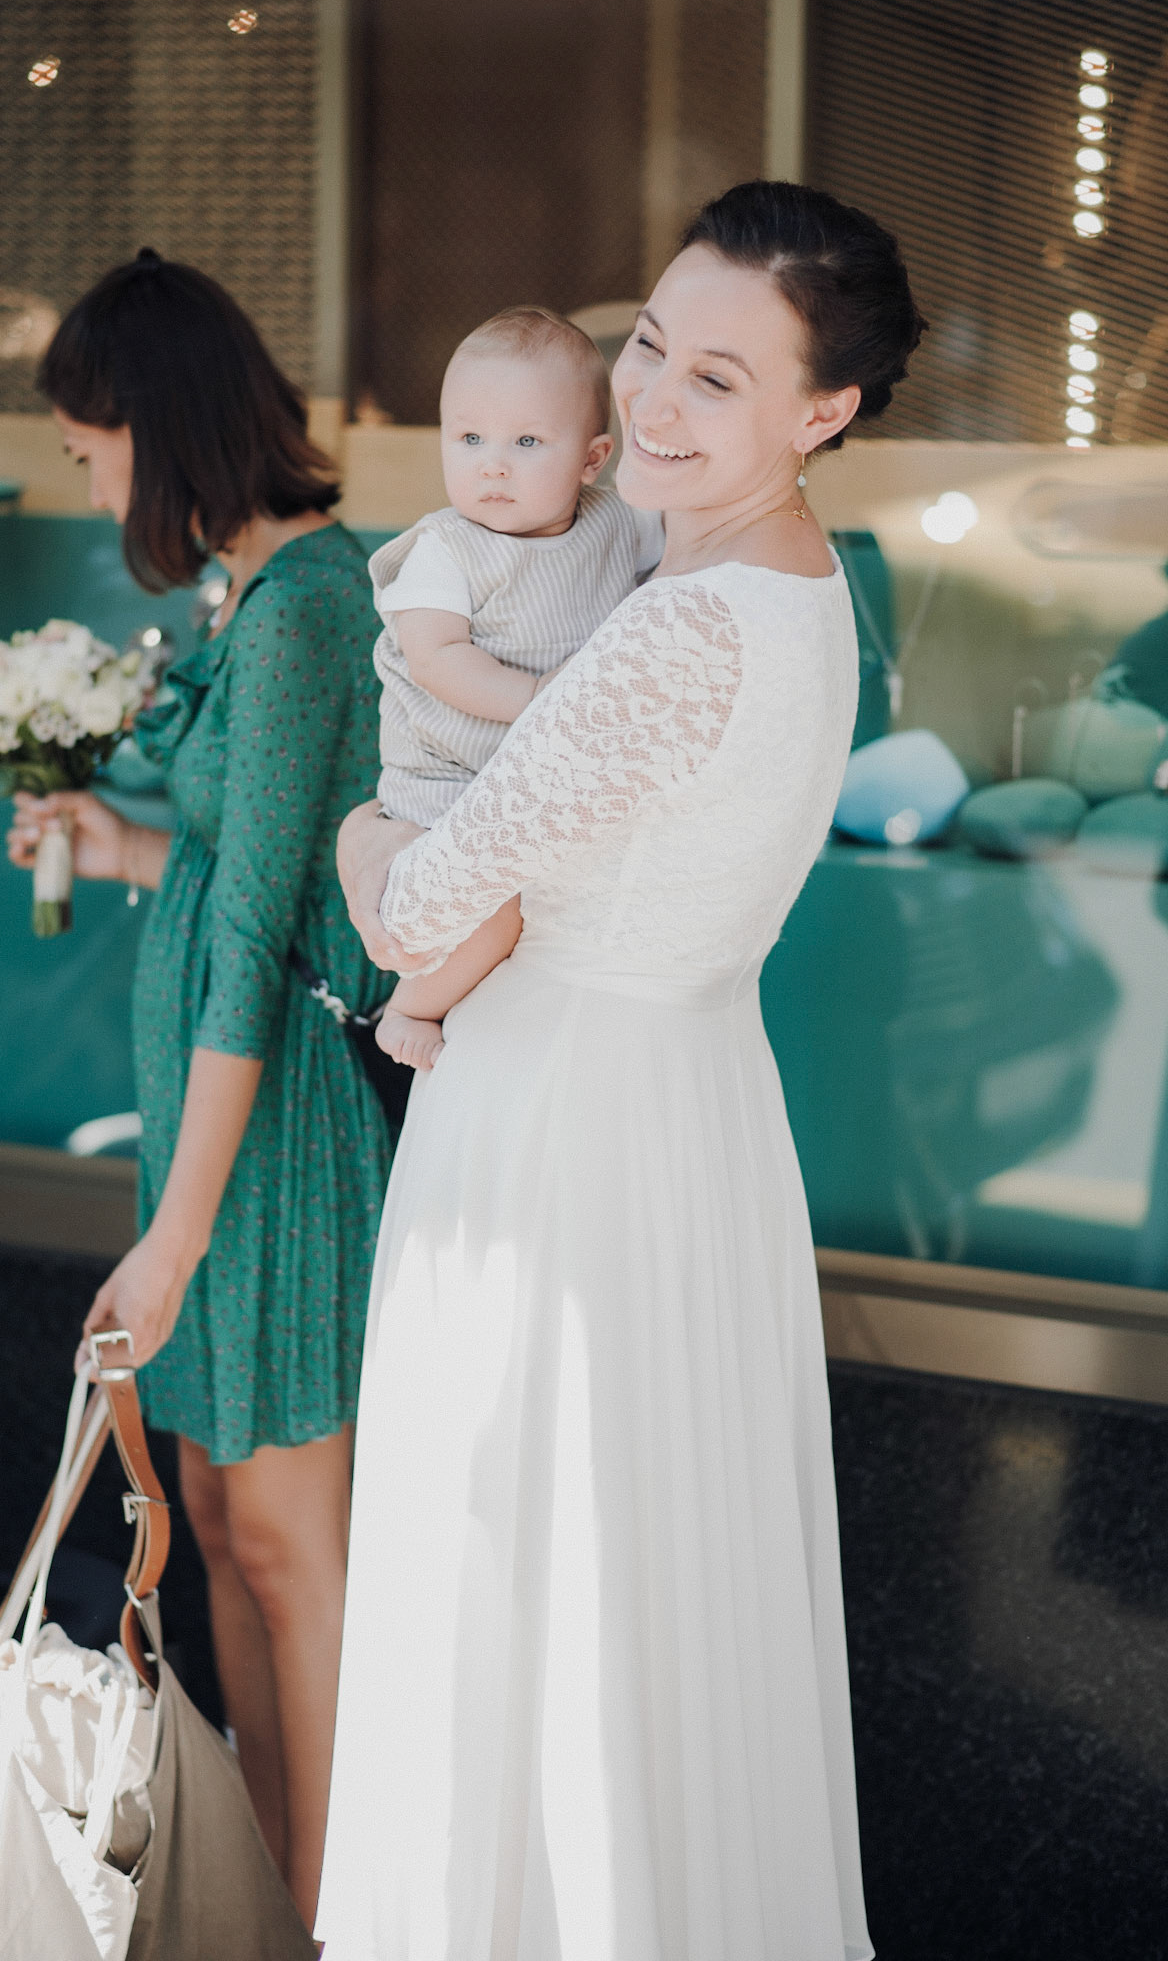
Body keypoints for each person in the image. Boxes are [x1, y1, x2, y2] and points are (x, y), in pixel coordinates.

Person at [319, 181, 925, 1959]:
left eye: (718, 378)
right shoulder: (787, 589)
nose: (652, 399)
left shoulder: (677, 630)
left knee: (537, 1596)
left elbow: (420, 912)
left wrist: (357, 829)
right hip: (678, 1118)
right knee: (637, 1608)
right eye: (651, 344)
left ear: (824, 410)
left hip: (561, 1149)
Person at [5, 249, 394, 1930]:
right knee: (223, 1524)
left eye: (91, 447)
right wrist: (120, 844)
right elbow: (251, 875)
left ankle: (329, 1914)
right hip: (217, 1129)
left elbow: (261, 948)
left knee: (292, 1549)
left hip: (279, 1139)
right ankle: (259, 1900)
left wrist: (170, 1234)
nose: (89, 483)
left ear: (157, 428)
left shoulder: (306, 606)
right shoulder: (251, 595)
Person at [370, 304, 661, 1070]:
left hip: (540, 780)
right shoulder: (446, 549)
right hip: (449, 776)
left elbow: (677, 566)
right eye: (469, 439)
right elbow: (436, 658)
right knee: (495, 903)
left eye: (526, 442)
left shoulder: (618, 525)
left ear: (593, 459)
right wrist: (539, 702)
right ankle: (412, 1005)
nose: (492, 464)